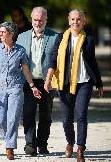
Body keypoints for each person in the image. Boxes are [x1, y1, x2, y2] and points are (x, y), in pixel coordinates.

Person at [44, 9, 104, 162]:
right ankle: (70, 142)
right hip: (65, 83)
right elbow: (53, 59)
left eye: (79, 19)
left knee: (81, 115)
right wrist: (48, 79)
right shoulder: (60, 38)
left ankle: (80, 149)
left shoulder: (89, 39)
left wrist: (99, 83)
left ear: (83, 22)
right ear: (69, 21)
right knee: (66, 120)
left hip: (84, 82)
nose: (75, 22)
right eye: (73, 19)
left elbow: (92, 62)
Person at [0, 22, 41, 160]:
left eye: (3, 32)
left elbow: (26, 70)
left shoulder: (20, 51)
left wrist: (32, 86)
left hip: (15, 87)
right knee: (0, 119)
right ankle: (8, 140)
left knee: (12, 118)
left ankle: (10, 147)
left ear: (11, 34)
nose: (0, 34)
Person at [16, 7, 58, 156]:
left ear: (46, 19)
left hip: (48, 82)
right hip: (29, 82)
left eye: (41, 20)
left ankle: (42, 145)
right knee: (28, 113)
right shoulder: (22, 37)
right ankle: (30, 145)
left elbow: (59, 61)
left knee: (45, 116)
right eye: (35, 19)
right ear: (31, 19)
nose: (38, 22)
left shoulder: (55, 37)